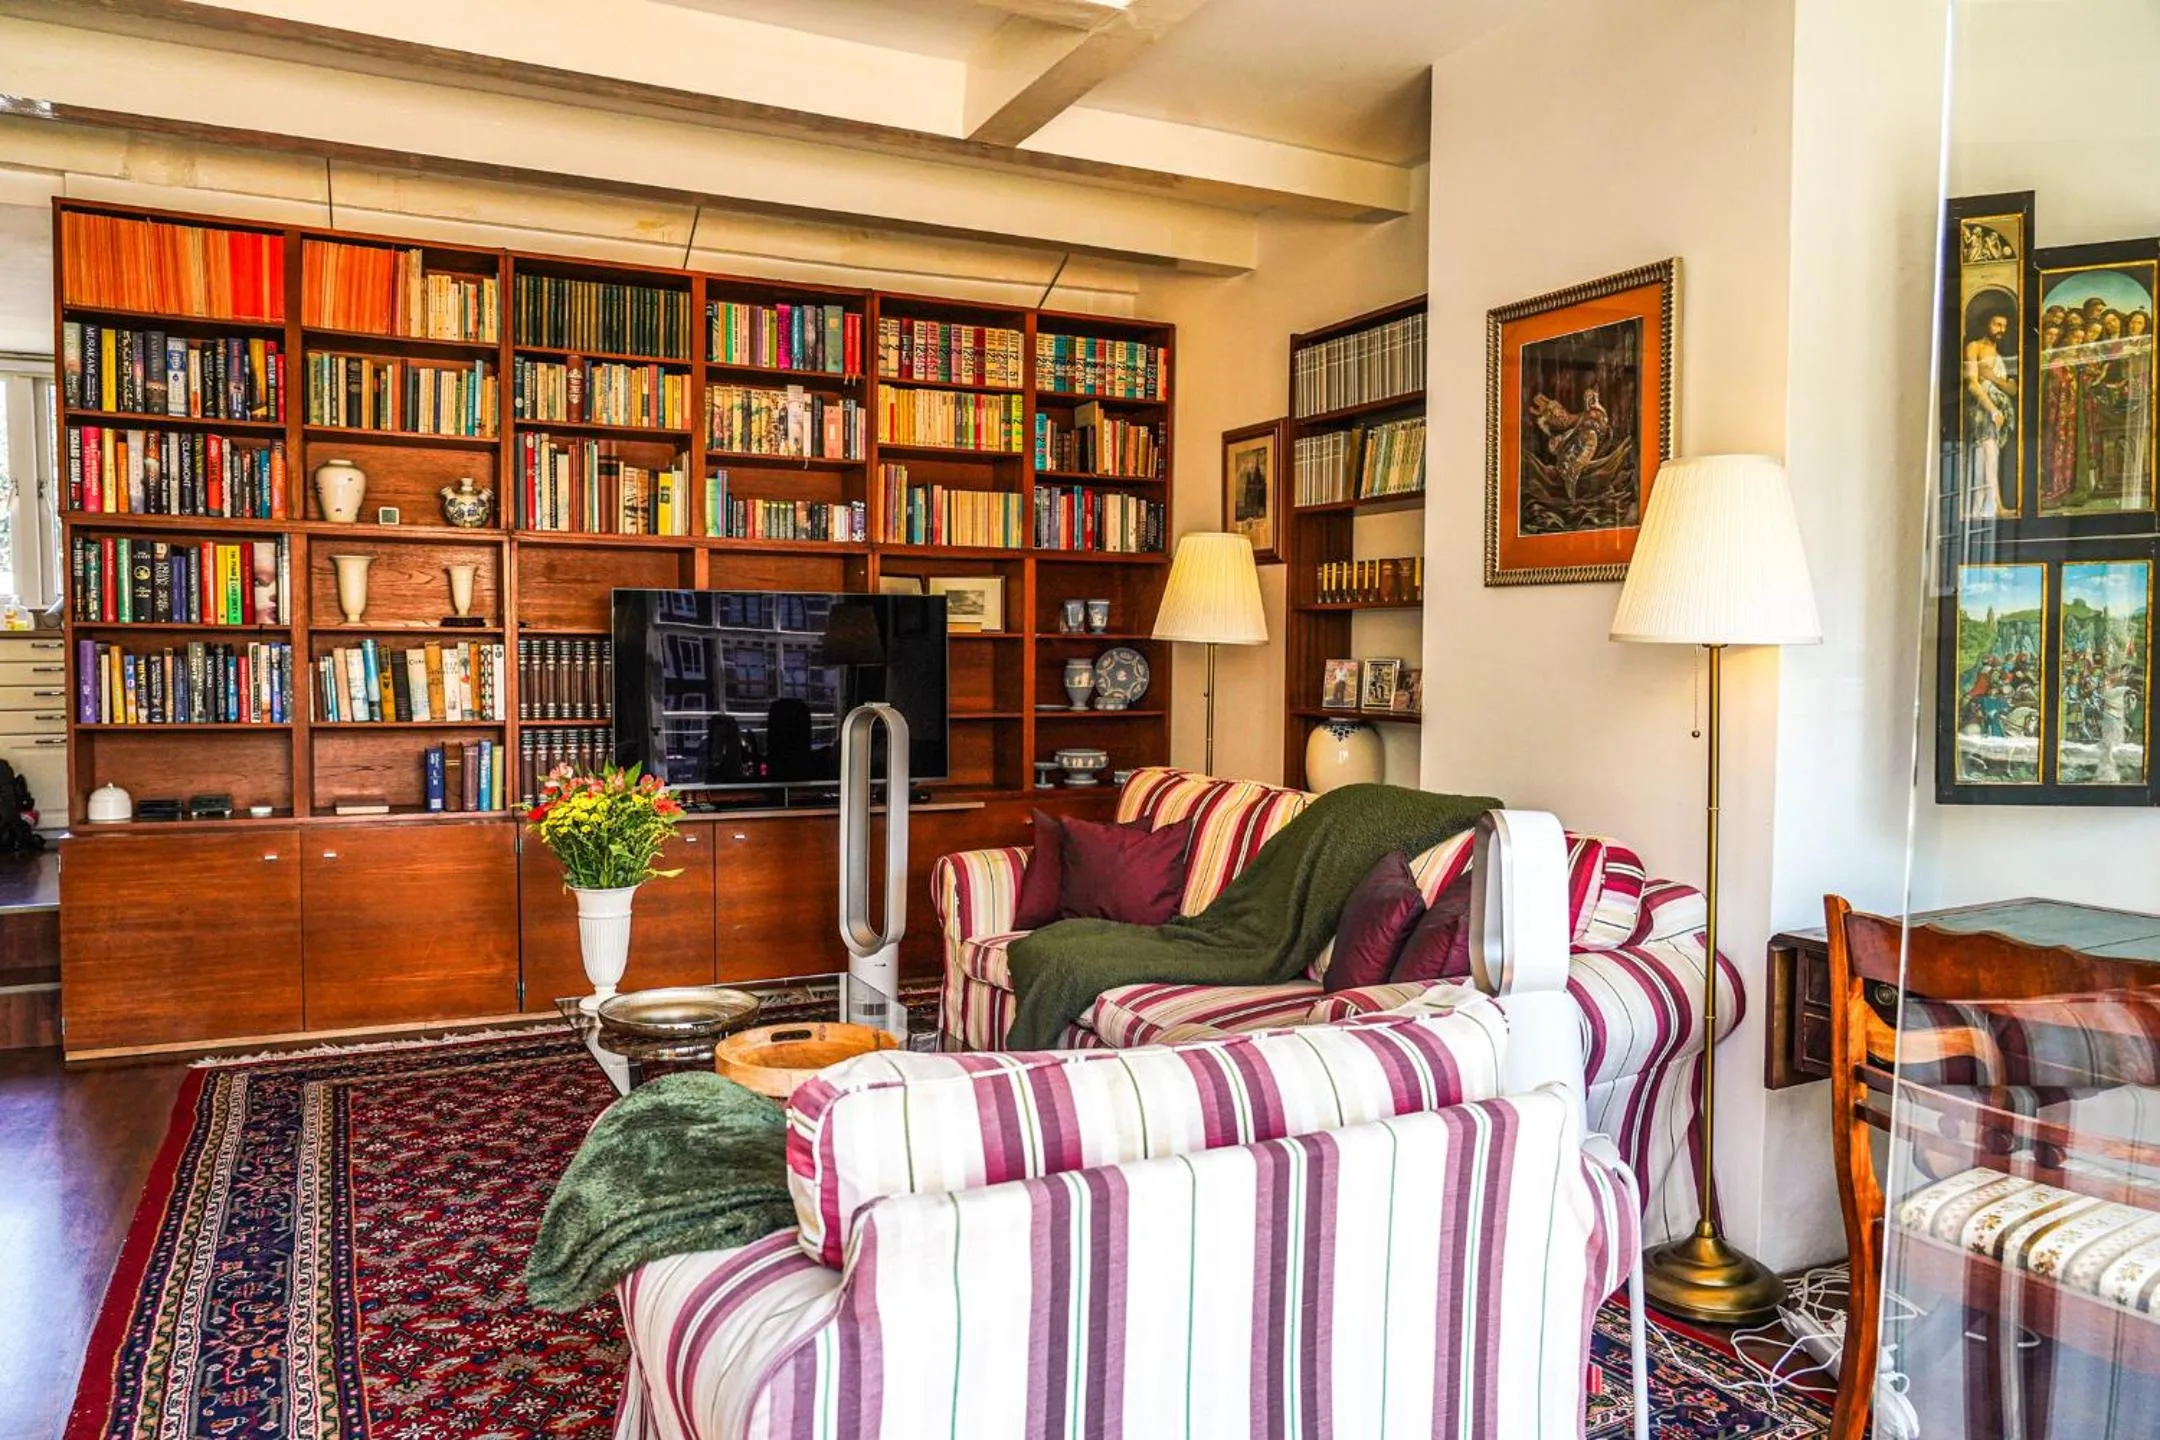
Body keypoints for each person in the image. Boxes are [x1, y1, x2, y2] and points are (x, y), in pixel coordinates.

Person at [1963, 309, 2016, 518]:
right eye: (1996, 324)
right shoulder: (1975, 347)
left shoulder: (2002, 355)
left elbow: (2013, 389)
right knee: (1987, 457)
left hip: (1998, 412)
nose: (2001, 329)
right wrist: (1992, 409)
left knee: (1990, 457)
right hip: (1983, 409)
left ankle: (1983, 508)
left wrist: (1992, 377)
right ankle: (1994, 506)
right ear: (1987, 324)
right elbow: (1972, 384)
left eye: (2004, 325)